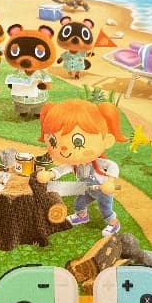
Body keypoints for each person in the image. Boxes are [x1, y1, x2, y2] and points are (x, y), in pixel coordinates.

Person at [36, 99, 128, 236]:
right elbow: (62, 169)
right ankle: (82, 216)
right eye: (53, 141)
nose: (64, 149)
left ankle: (114, 224)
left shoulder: (97, 162)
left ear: (107, 141)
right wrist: (50, 174)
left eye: (78, 142)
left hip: (102, 190)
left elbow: (112, 165)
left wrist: (110, 182)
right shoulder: (75, 163)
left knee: (106, 210)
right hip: (87, 188)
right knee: (79, 203)